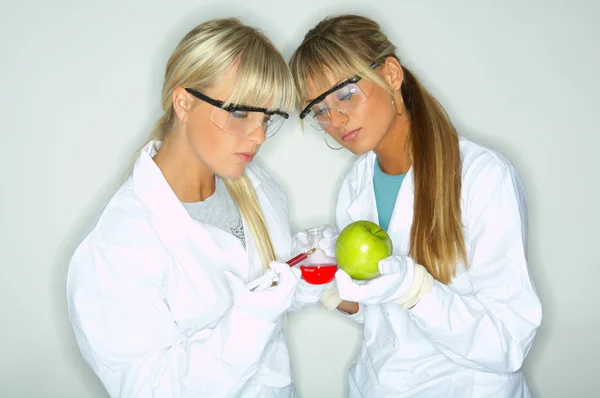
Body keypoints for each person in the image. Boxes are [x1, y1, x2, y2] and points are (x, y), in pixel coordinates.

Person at [288, 14, 543, 397]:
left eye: (344, 94)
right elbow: (382, 318)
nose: (335, 119)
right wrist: (326, 285)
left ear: (391, 74)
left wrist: (416, 288)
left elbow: (507, 343)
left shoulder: (481, 176)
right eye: (318, 109)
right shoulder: (356, 184)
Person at [66, 18, 302, 397]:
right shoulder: (117, 247)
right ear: (183, 102)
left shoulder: (258, 189)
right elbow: (151, 389)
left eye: (267, 118)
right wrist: (251, 318)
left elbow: (271, 287)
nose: (258, 136)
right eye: (241, 114)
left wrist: (309, 268)